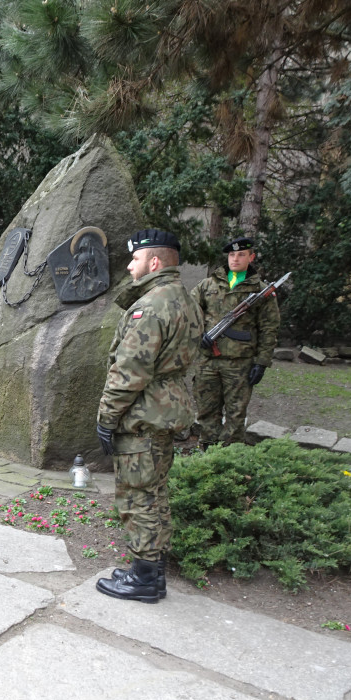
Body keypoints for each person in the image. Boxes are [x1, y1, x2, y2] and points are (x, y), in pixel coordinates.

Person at [95, 228, 203, 604]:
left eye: (135, 259)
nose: (129, 266)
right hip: (166, 410)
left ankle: (143, 579)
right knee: (155, 494)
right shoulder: (184, 299)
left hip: (143, 414)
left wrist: (106, 418)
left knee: (137, 497)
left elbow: (129, 372)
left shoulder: (150, 306)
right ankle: (152, 574)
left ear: (154, 262)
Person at [191, 236, 280, 449]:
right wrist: (198, 335)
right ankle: (207, 451)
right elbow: (189, 313)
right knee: (206, 410)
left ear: (251, 257)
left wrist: (261, 362)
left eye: (241, 254)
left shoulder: (261, 291)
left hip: (240, 364)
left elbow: (269, 328)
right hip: (208, 360)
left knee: (236, 413)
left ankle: (229, 457)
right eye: (232, 254)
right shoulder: (207, 285)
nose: (235, 259)